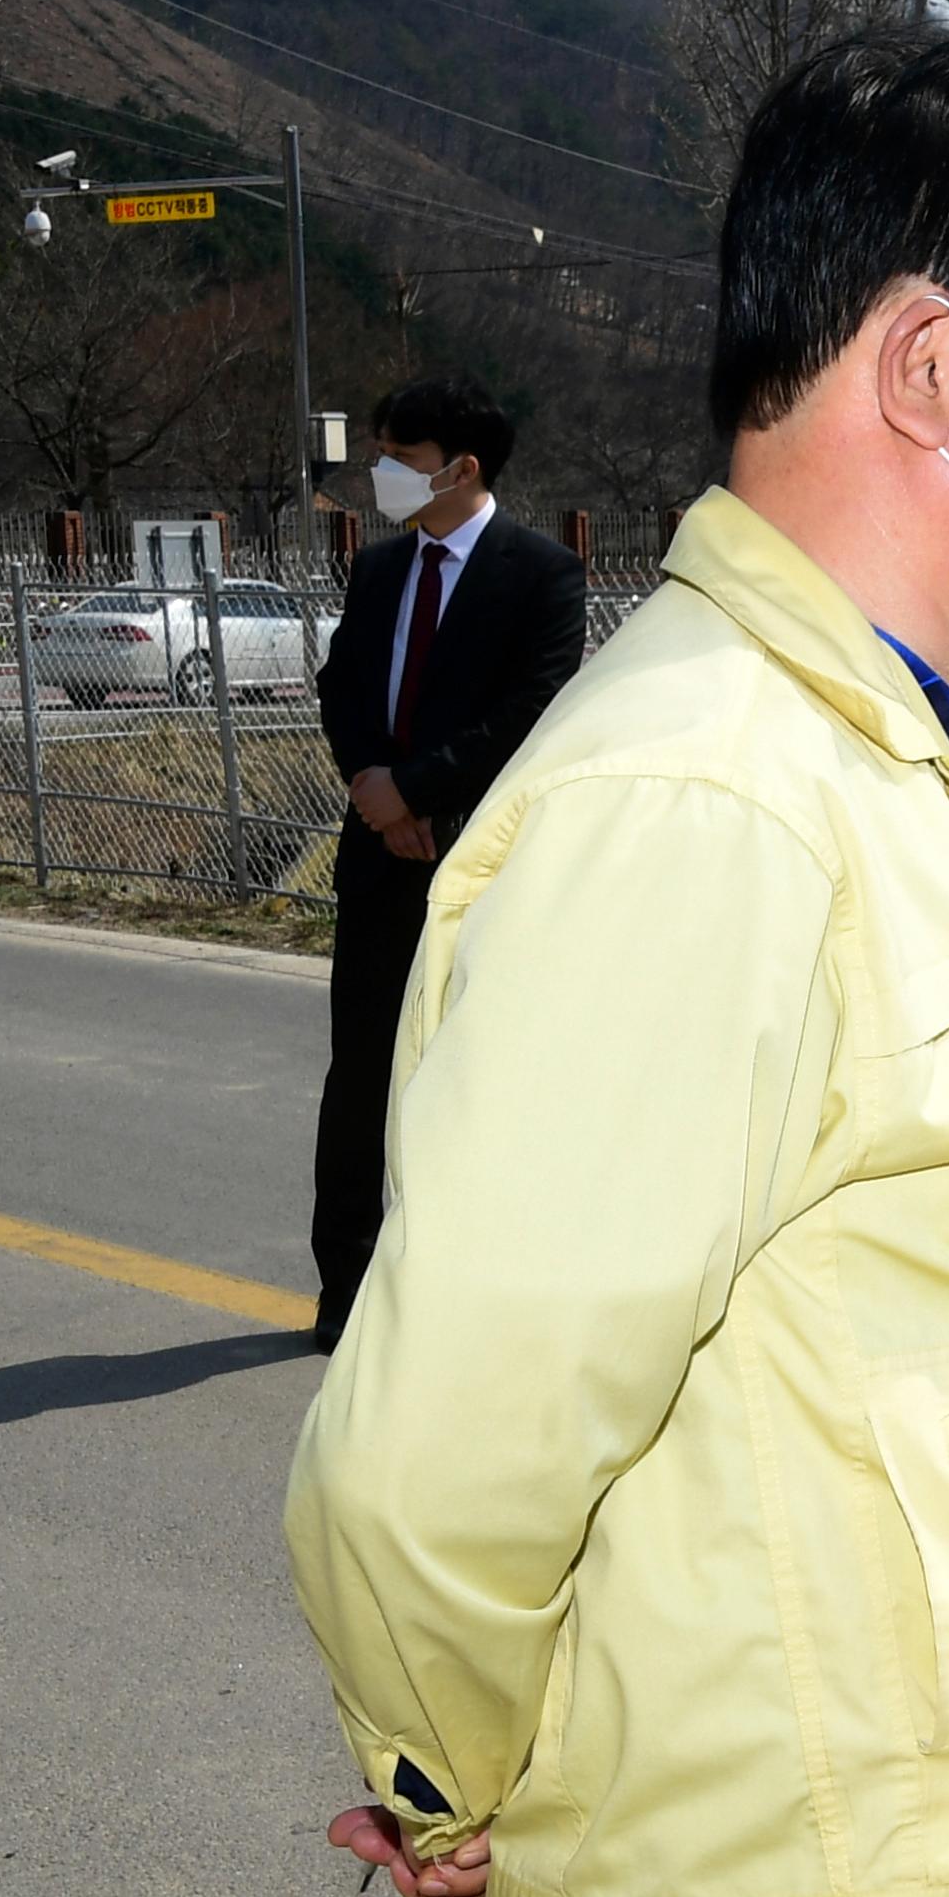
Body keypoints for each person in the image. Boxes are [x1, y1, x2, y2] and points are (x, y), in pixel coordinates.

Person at [286, 31, 949, 1897]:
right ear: (932, 372)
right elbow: (465, 1423)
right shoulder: (712, 795)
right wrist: (440, 1763)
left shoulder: (918, 763)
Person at [307, 375, 585, 1351]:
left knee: (482, 1074)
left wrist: (419, 787)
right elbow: (341, 686)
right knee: (363, 1074)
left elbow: (532, 709)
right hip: (381, 857)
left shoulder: (540, 572)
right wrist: (373, 788)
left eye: (401, 459)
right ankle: (345, 1287)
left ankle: (474, 1287)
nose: (381, 474)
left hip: (483, 859)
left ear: (462, 468)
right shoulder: (379, 569)